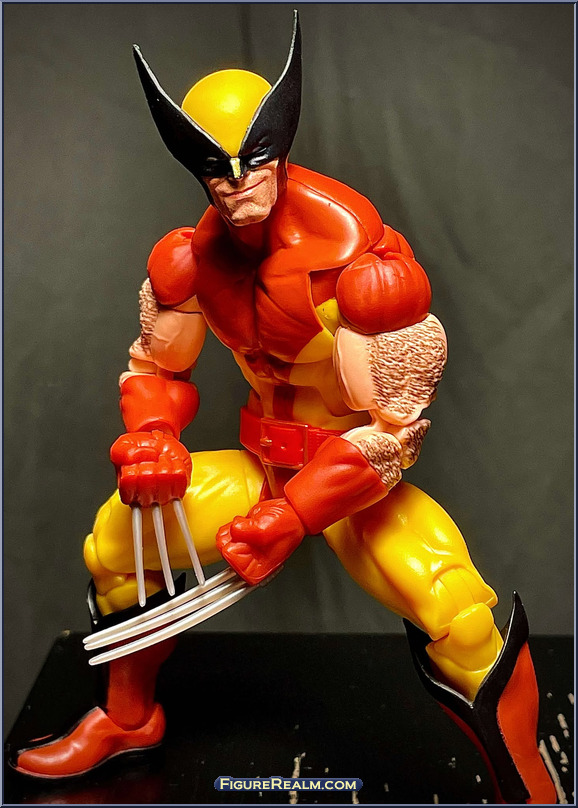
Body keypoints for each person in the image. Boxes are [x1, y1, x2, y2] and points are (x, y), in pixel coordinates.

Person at [12, 13, 555, 804]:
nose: (238, 184)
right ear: (194, 166)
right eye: (217, 168)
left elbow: (394, 436)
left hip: (349, 488)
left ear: (283, 148)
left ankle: (533, 794)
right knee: (116, 543)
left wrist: (299, 516)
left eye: (254, 160)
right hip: (262, 467)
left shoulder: (366, 269)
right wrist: (153, 435)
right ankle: (128, 721)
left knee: (461, 617)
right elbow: (154, 368)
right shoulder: (187, 262)